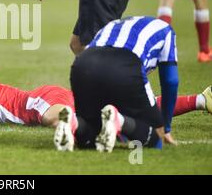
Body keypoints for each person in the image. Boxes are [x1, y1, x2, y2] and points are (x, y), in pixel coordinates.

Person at [54, 16, 180, 153]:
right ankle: (119, 121)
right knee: (157, 139)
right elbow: (170, 81)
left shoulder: (111, 25)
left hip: (83, 64)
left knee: (91, 137)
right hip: (125, 64)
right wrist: (165, 128)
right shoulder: (166, 30)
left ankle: (74, 122)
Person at [0, 79, 212, 128]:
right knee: (135, 108)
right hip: (46, 94)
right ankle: (201, 100)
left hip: (37, 101)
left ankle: (112, 123)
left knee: (53, 119)